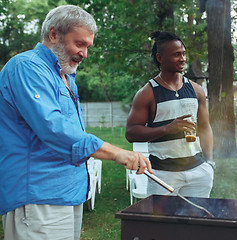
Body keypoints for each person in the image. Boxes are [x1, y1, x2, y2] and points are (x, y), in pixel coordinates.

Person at [0, 5, 152, 240]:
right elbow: (53, 128)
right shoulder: (26, 67)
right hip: (38, 195)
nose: (84, 54)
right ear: (53, 35)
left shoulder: (66, 77)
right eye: (79, 44)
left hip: (68, 193)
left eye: (88, 46)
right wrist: (116, 153)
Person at [125, 31, 214, 198]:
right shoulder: (147, 93)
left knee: (197, 221)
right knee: (163, 224)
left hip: (198, 172)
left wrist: (209, 162)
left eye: (183, 53)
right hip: (163, 174)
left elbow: (205, 126)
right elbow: (130, 133)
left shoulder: (196, 90)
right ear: (160, 58)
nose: (183, 59)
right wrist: (167, 129)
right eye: (176, 55)